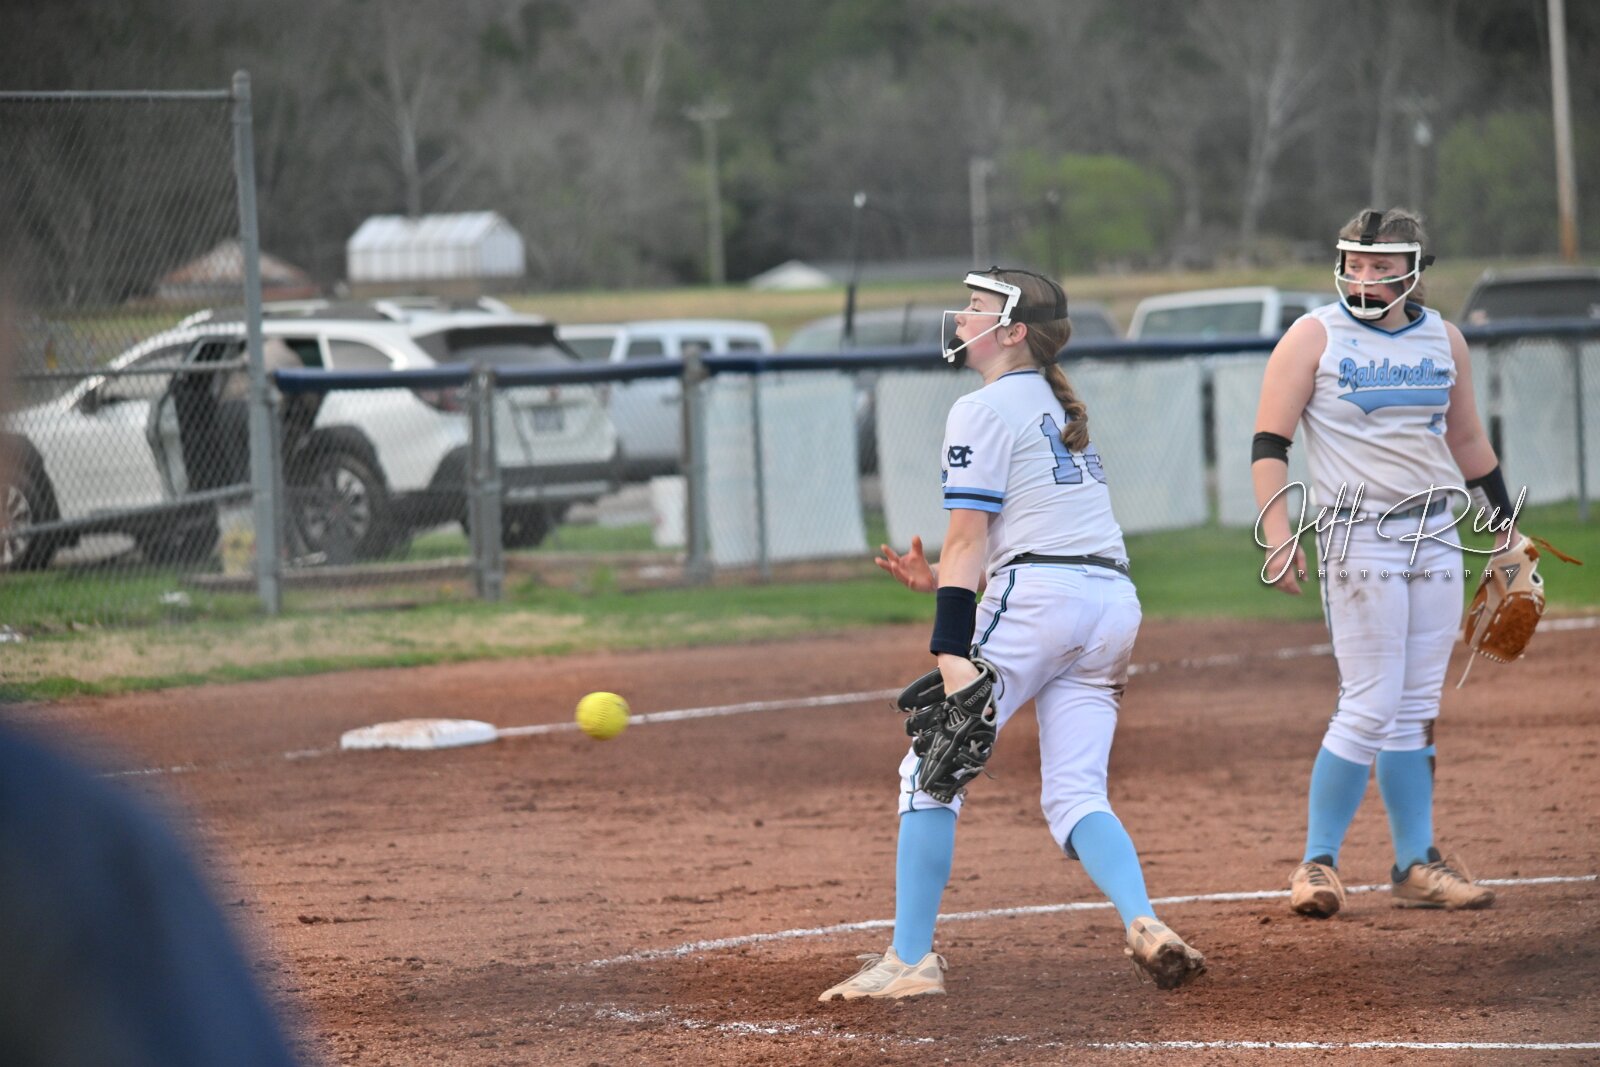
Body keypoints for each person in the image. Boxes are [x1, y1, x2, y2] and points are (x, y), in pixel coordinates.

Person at [818, 268, 1206, 1001]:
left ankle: (910, 961)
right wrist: (942, 577)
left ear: (1014, 331)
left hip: (1040, 601)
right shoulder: (1054, 404)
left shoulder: (982, 406)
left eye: (977, 307)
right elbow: (1033, 534)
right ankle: (1145, 921)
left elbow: (970, 538)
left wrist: (949, 649)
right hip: (1111, 602)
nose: (962, 317)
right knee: (1076, 792)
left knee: (929, 769)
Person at [1252, 207, 1509, 918]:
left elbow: (1467, 440)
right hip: (1356, 535)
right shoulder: (1314, 336)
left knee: (1418, 704)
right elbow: (1270, 442)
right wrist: (1278, 532)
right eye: (1355, 263)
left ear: (1413, 270)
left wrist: (1505, 528)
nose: (1363, 276)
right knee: (1370, 700)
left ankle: (1415, 863)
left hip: (1437, 533)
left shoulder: (1443, 339)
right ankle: (1316, 863)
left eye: (1381, 266)